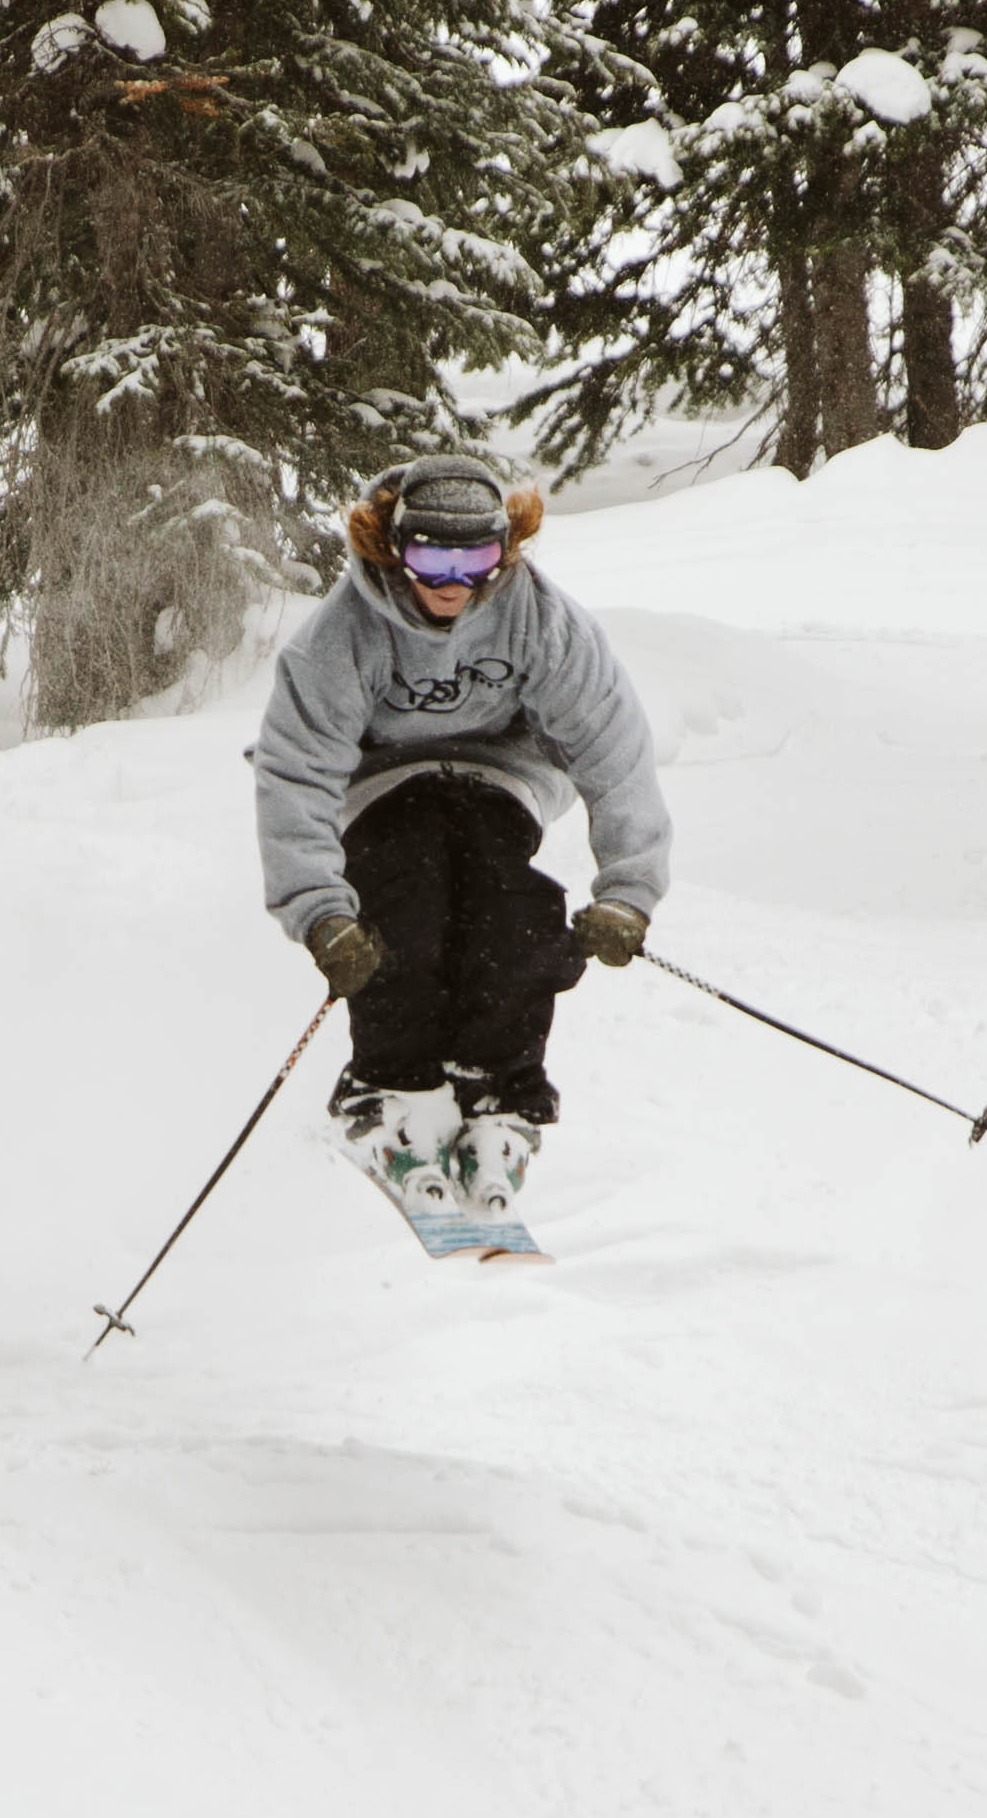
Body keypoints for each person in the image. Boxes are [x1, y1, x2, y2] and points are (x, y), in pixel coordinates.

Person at [247, 452, 672, 1233]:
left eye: (474, 559)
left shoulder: (541, 621)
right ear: (392, 547)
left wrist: (628, 892)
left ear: (503, 553)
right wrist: (319, 912)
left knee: (511, 904)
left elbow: (614, 750)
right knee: (407, 888)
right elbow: (295, 775)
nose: (451, 581)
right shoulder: (339, 637)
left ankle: (500, 1096)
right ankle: (392, 1092)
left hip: (501, 776)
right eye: (430, 557)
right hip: (379, 783)